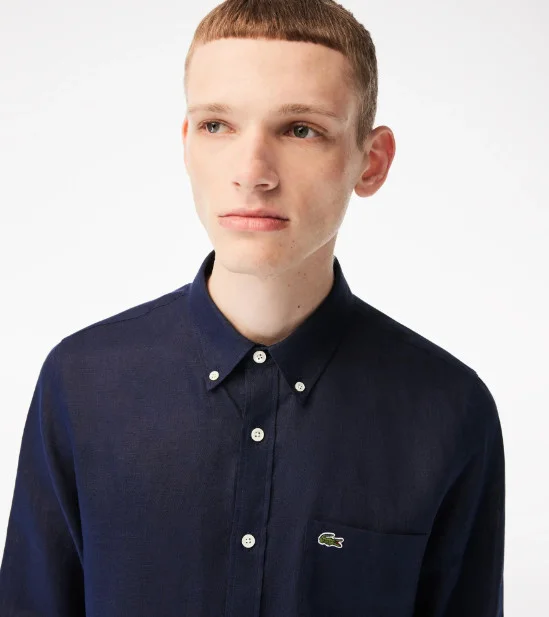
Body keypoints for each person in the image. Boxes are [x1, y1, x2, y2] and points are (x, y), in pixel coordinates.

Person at [0, 0, 505, 616]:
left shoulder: (450, 410)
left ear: (370, 162)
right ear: (187, 144)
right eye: (217, 125)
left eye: (300, 129)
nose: (253, 173)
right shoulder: (81, 382)